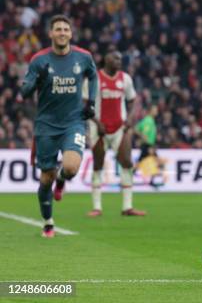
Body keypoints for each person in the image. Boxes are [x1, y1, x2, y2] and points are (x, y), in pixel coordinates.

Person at [18, 15, 98, 238]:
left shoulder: (83, 57)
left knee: (71, 167)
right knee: (46, 177)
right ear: (51, 34)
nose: (62, 32)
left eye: (65, 29)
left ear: (71, 34)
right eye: (58, 29)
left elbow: (93, 76)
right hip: (46, 126)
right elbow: (24, 92)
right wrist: (36, 79)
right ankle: (48, 221)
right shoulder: (39, 60)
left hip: (73, 122)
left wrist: (90, 102)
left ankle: (62, 180)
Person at [87, 51, 145, 217]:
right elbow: (85, 103)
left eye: (120, 58)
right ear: (106, 59)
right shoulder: (95, 78)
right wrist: (97, 123)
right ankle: (97, 207)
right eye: (115, 58)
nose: (119, 61)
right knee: (98, 164)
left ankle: (127, 207)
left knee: (126, 162)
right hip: (98, 128)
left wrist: (130, 118)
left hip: (120, 127)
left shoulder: (125, 78)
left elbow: (133, 99)